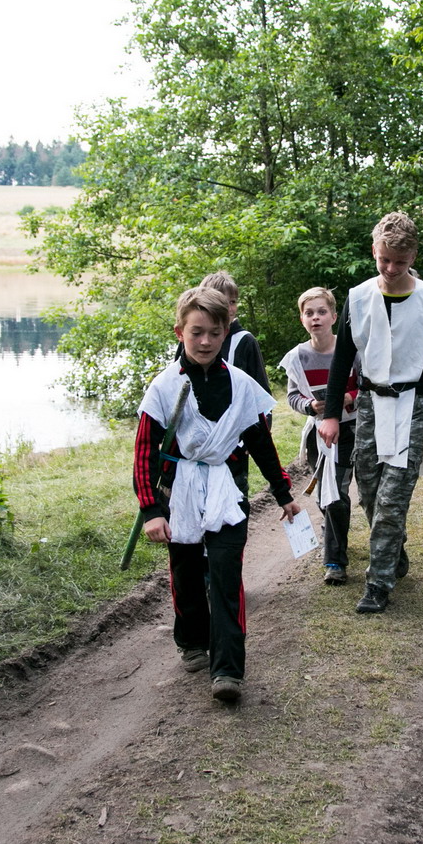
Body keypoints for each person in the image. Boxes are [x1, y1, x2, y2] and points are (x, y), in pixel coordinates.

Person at [135, 286, 301, 703]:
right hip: (181, 494)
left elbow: (260, 442)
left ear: (226, 332)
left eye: (214, 332)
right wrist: (152, 510)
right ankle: (192, 640)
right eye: (197, 333)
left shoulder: (242, 386)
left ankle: (227, 669)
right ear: (180, 332)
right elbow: (144, 453)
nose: (205, 341)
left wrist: (283, 493)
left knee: (226, 576)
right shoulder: (164, 387)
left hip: (226, 492)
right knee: (187, 572)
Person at [317, 211, 423, 614]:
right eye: (384, 260)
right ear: (374, 252)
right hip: (369, 404)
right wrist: (330, 414)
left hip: (413, 404)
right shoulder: (359, 297)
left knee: (394, 497)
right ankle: (394, 549)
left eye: (400, 261)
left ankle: (378, 583)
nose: (392, 268)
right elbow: (342, 359)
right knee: (369, 490)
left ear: (413, 256)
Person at [280, 287, 360, 585]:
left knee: (336, 494)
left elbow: (368, 385)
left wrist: (350, 397)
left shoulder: (352, 350)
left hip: (351, 429)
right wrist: (310, 405)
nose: (316, 318)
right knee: (325, 497)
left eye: (322, 312)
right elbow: (292, 396)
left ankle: (335, 561)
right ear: (302, 319)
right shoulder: (297, 358)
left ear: (334, 317)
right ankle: (334, 529)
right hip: (318, 435)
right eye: (309, 313)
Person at [199, 271, 272, 395]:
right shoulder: (191, 339)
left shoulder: (245, 340)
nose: (229, 309)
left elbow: (261, 391)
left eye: (232, 302)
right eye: (222, 302)